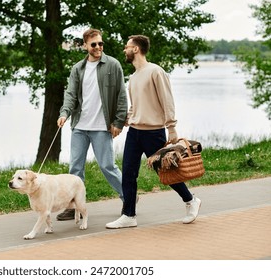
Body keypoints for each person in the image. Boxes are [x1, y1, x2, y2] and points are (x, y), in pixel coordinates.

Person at [105, 35, 201, 229]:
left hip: (153, 132)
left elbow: (167, 100)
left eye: (127, 47)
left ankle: (191, 201)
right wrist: (125, 121)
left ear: (136, 49)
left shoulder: (155, 71)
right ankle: (129, 216)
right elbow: (135, 106)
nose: (124, 50)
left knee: (165, 172)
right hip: (134, 132)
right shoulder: (133, 77)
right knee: (128, 173)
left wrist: (171, 127)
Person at [56, 28, 128, 220]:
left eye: (100, 44)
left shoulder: (113, 65)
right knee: (75, 169)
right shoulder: (78, 69)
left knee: (107, 166)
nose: (98, 47)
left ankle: (128, 198)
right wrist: (64, 113)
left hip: (102, 127)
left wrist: (118, 122)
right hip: (79, 126)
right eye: (94, 44)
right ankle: (73, 208)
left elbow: (121, 95)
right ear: (85, 45)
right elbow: (70, 95)